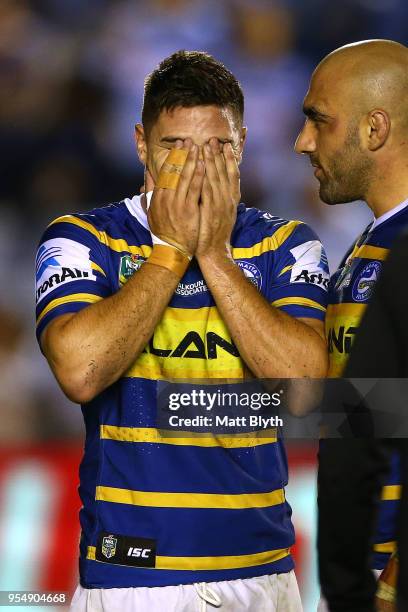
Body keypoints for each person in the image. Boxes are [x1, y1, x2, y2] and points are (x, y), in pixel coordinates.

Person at [35, 51, 329, 611]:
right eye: (175, 148)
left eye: (217, 147)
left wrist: (214, 254)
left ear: (242, 142)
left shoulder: (287, 244)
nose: (197, 168)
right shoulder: (84, 239)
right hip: (130, 579)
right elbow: (79, 370)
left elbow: (307, 392)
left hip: (261, 576)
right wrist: (170, 252)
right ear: (142, 144)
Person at [294, 39, 408, 611]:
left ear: (374, 128)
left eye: (318, 121)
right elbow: (368, 407)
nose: (302, 142)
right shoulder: (371, 243)